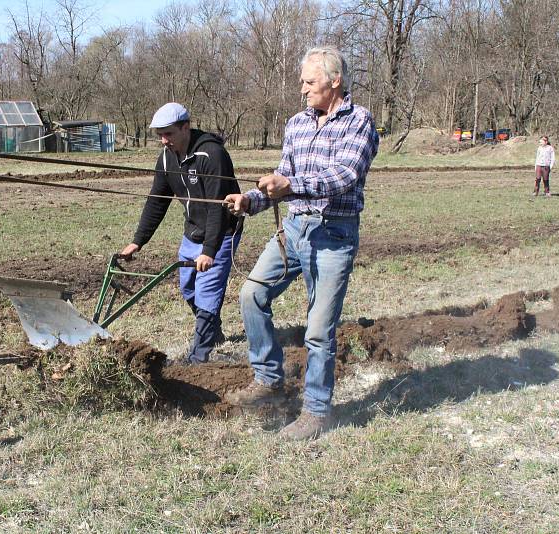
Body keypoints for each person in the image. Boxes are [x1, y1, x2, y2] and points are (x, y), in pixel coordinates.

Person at [224, 46, 379, 440]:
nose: (303, 89)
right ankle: (268, 379)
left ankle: (316, 411)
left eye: (309, 82)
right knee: (251, 295)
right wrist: (251, 200)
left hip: (333, 234)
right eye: (302, 82)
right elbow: (282, 178)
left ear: (335, 80)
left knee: (319, 329)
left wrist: (290, 186)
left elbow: (344, 175)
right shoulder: (296, 124)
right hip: (293, 230)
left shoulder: (359, 122)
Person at [120, 103, 242, 364]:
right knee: (189, 288)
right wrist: (137, 241)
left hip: (222, 233)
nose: (164, 140)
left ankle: (197, 359)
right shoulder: (166, 158)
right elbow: (157, 201)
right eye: (160, 135)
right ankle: (213, 332)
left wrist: (210, 251)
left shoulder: (212, 154)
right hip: (193, 230)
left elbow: (218, 208)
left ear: (185, 127)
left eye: (169, 134)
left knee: (207, 291)